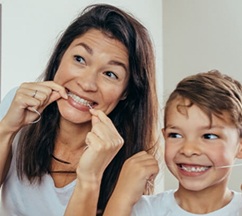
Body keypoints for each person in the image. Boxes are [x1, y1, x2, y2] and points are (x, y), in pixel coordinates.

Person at [0, 3, 160, 216]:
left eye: (110, 74)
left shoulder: (131, 166)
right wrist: (6, 130)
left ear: (126, 92)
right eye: (79, 59)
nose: (87, 84)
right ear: (60, 57)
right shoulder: (19, 105)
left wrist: (91, 176)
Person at [104, 70, 242, 216]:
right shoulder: (142, 210)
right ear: (164, 136)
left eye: (209, 136)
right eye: (175, 135)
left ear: (240, 146)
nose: (188, 150)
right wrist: (122, 196)